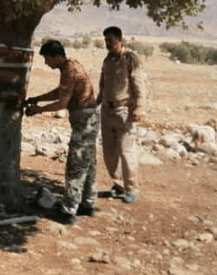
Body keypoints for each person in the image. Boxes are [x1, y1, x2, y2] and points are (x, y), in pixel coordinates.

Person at [24, 39, 100, 226]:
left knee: (76, 164)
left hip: (84, 120)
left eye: (48, 59)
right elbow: (61, 92)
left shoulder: (69, 70)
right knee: (88, 163)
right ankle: (88, 204)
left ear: (57, 57)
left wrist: (37, 110)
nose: (46, 63)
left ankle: (68, 211)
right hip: (89, 118)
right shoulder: (72, 66)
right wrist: (37, 99)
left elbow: (62, 103)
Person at [97, 25, 148, 203]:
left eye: (110, 40)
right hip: (107, 111)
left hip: (124, 111)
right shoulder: (107, 60)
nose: (107, 44)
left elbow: (139, 83)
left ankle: (132, 188)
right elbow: (102, 82)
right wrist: (96, 101)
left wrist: (140, 106)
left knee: (127, 151)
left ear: (119, 40)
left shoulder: (130, 59)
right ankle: (118, 185)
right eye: (105, 41)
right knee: (109, 152)